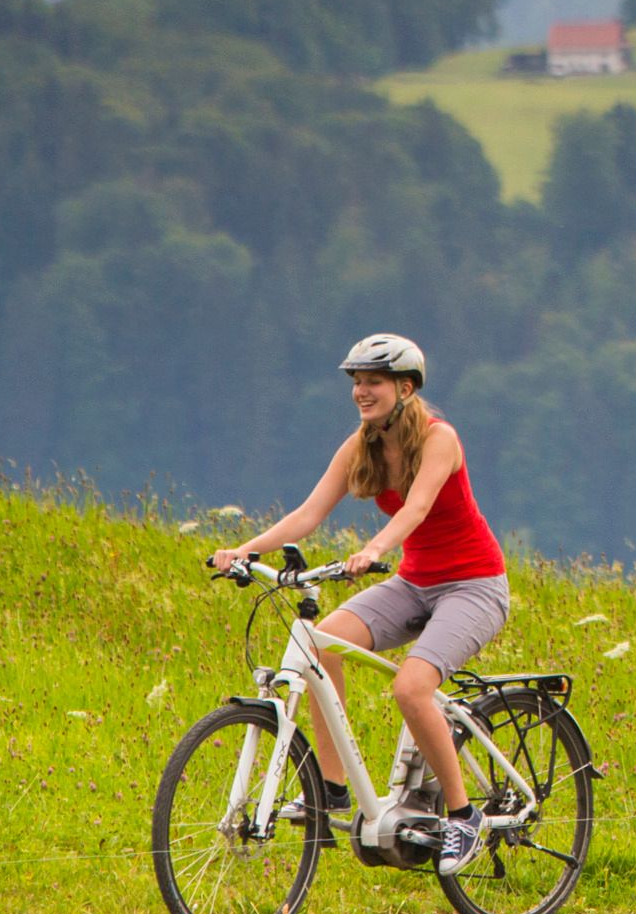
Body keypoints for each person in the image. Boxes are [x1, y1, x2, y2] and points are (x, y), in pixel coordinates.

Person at [216, 333, 509, 868]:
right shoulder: (361, 446)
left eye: (372, 382)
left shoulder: (441, 439)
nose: (361, 392)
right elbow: (308, 514)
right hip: (415, 582)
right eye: (356, 383)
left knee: (412, 686)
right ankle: (332, 790)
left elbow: (417, 508)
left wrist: (373, 548)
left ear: (405, 387)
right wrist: (245, 549)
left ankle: (464, 818)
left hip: (473, 584)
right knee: (321, 646)